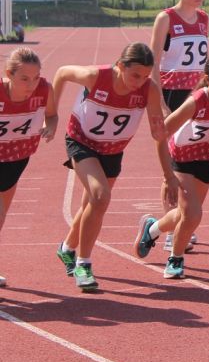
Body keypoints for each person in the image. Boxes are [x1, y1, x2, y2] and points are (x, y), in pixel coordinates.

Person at [54, 43, 166, 291]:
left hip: (113, 150)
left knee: (91, 205)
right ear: (120, 66)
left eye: (146, 76)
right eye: (135, 75)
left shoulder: (149, 90)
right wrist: (51, 114)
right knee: (101, 196)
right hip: (81, 141)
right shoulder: (96, 76)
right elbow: (62, 72)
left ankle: (67, 247)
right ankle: (84, 264)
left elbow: (158, 130)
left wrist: (160, 131)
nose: (140, 81)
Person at [134, 54, 209, 279]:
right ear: (208, 80)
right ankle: (176, 259)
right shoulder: (196, 102)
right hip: (183, 157)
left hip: (208, 156)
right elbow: (161, 135)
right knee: (193, 214)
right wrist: (167, 175)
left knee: (183, 214)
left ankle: (151, 230)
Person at [149, 0, 209, 252]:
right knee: (172, 159)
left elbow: (202, 59)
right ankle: (172, 226)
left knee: (190, 155)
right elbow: (153, 63)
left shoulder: (204, 19)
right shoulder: (166, 18)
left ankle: (183, 219)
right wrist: (159, 101)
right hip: (171, 92)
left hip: (194, 93)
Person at [0, 48, 58, 287]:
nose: (31, 84)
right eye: (24, 78)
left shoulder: (45, 89)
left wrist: (50, 126)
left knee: (1, 215)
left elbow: (52, 115)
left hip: (17, 157)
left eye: (35, 77)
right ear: (9, 75)